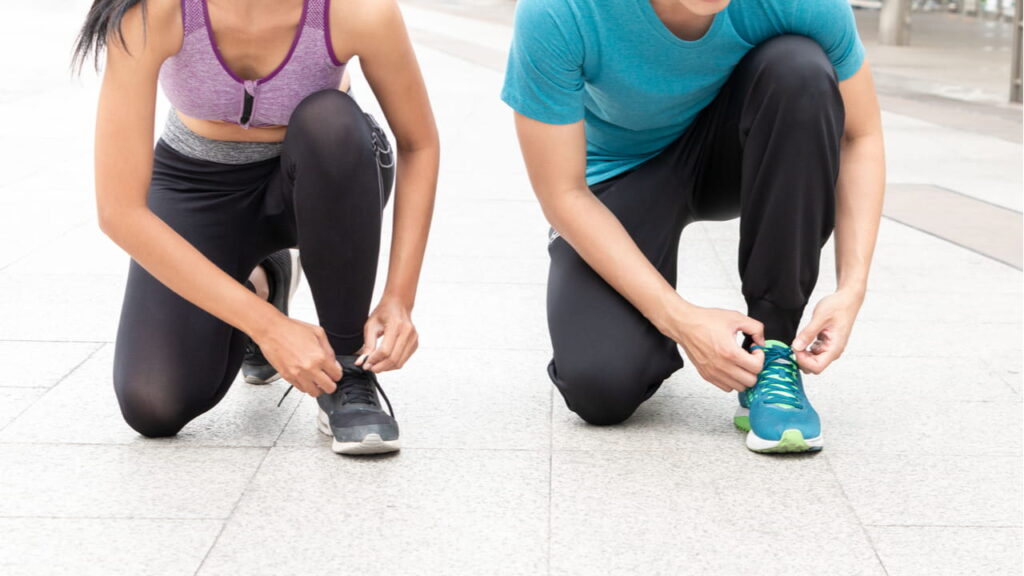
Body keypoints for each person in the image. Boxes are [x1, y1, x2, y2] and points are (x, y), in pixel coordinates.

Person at [503, 0, 884, 453]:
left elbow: (860, 135)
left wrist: (852, 287)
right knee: (600, 386)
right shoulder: (560, 11)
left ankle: (773, 352)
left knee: (798, 68)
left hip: (728, 150)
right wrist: (682, 321)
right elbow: (563, 192)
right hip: (620, 173)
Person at [74, 0, 439, 455]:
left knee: (331, 122)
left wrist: (399, 298)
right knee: (154, 402)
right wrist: (266, 327)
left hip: (324, 174)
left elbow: (418, 143)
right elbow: (119, 211)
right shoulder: (152, 14)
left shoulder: (358, 10)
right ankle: (263, 280)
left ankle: (346, 371)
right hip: (198, 185)